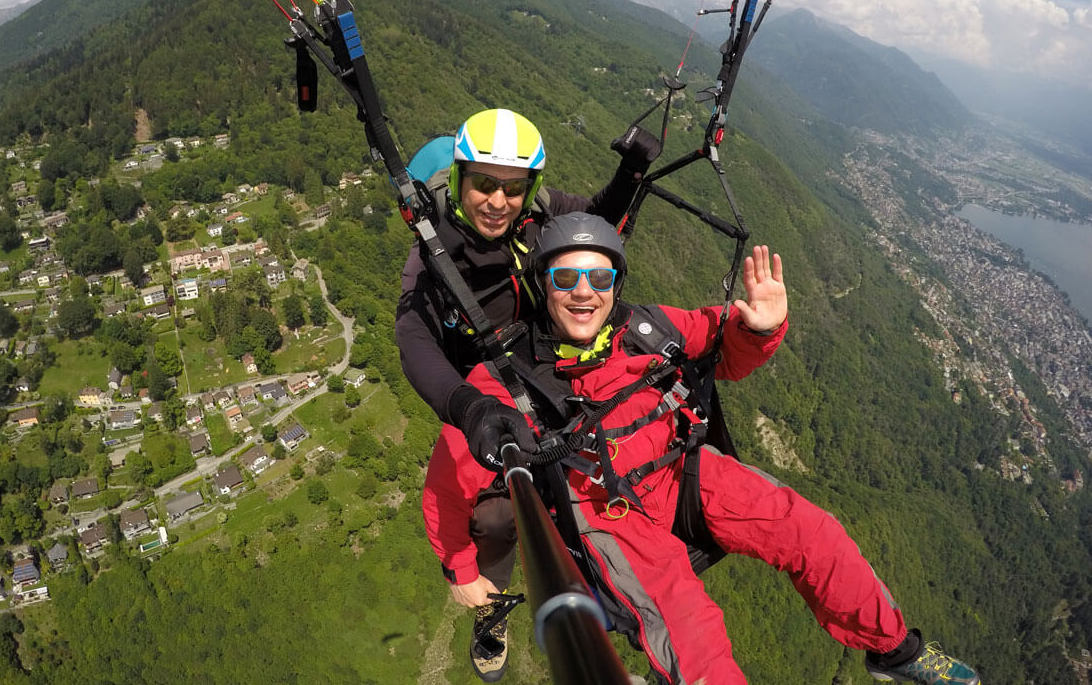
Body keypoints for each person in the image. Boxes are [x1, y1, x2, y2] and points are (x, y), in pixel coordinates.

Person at [422, 211, 981, 685]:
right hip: (604, 511)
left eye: (599, 276)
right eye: (566, 278)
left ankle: (895, 649)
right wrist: (463, 567)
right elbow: (450, 478)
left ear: (617, 281)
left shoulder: (648, 327)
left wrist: (759, 328)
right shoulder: (508, 378)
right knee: (692, 640)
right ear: (543, 285)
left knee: (810, 531)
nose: (585, 292)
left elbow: (725, 350)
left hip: (680, 472)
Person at [396, 108, 659, 680]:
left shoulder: (538, 211)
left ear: (530, 188)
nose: (497, 200)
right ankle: (491, 610)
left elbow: (593, 221)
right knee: (494, 518)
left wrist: (631, 171)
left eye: (512, 188)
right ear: (460, 181)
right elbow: (413, 336)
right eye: (484, 184)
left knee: (606, 470)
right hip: (489, 389)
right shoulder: (435, 250)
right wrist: (468, 407)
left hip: (548, 362)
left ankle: (624, 598)